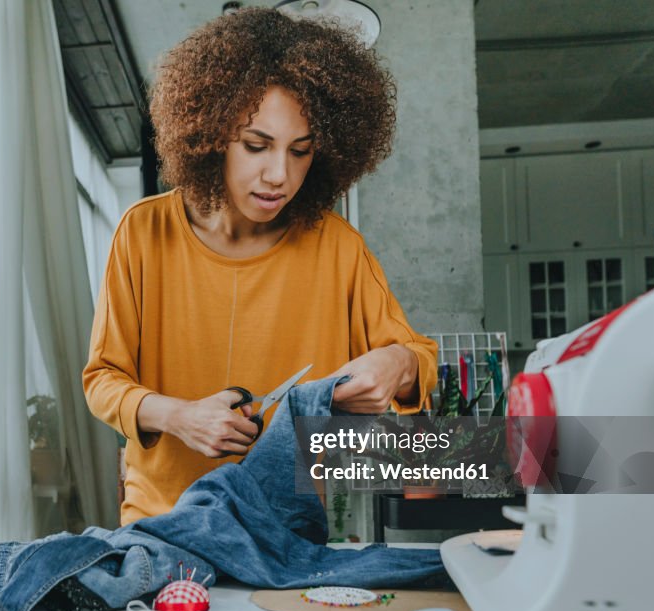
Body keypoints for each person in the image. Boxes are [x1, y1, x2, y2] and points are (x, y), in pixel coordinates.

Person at [83, 7, 437, 525]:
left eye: (301, 151)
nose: (279, 175)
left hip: (291, 528)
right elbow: (103, 379)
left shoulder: (337, 246)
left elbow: (417, 358)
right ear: (210, 134)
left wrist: (398, 366)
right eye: (256, 145)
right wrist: (179, 417)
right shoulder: (143, 232)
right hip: (163, 521)